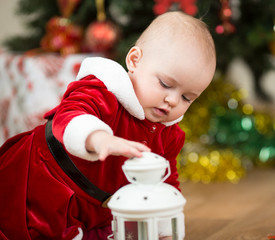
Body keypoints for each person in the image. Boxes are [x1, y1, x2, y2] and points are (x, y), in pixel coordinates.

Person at [0, 11, 216, 240]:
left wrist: (163, 225)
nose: (172, 101)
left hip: (95, 204)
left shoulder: (169, 135)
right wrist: (98, 137)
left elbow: (164, 178)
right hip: (46, 179)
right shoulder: (104, 89)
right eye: (165, 84)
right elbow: (69, 115)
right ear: (134, 61)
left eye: (187, 98)